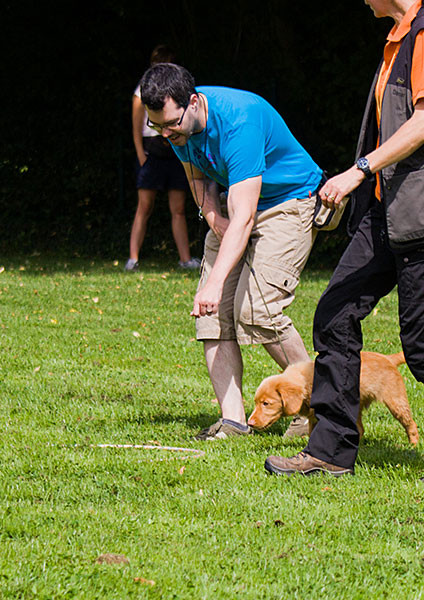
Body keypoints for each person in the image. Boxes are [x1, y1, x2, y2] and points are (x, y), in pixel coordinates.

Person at [264, 0, 424, 477]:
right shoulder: (397, 38)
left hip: (421, 213)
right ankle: (329, 451)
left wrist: (357, 171)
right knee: (334, 315)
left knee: (422, 340)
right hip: (381, 210)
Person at [137, 63, 321, 440]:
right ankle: (234, 421)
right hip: (234, 207)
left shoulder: (239, 121)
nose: (167, 134)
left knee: (257, 310)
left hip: (287, 202)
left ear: (193, 102)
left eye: (172, 124)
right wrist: (211, 217)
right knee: (211, 318)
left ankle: (319, 406)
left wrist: (214, 280)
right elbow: (197, 178)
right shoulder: (178, 131)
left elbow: (246, 214)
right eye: (158, 127)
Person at [126, 45, 200, 272]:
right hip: (152, 152)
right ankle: (133, 258)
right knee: (144, 206)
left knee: (177, 208)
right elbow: (137, 126)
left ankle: (185, 259)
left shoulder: (178, 91)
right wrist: (141, 156)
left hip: (174, 148)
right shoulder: (142, 92)